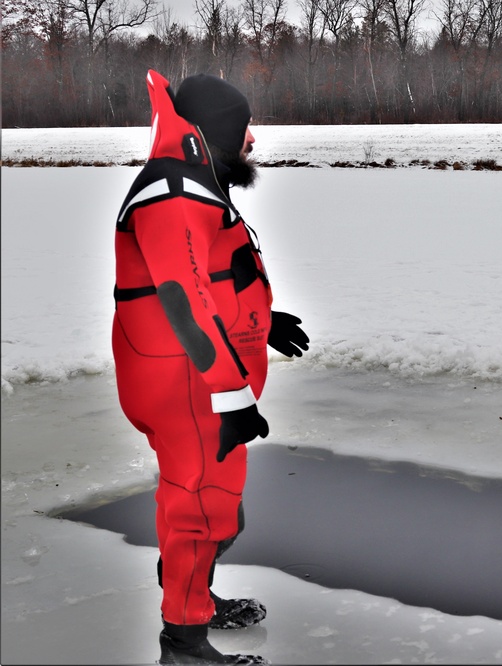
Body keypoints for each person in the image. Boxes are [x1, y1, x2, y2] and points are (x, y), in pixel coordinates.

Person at [112, 70, 310, 663]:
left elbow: (208, 278)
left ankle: (190, 587)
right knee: (204, 509)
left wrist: (260, 318)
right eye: (244, 128)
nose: (254, 139)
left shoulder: (194, 183)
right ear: (218, 134)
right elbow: (180, 296)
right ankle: (185, 643)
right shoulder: (174, 192)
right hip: (188, 385)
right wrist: (230, 394)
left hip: (194, 378)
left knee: (215, 507)